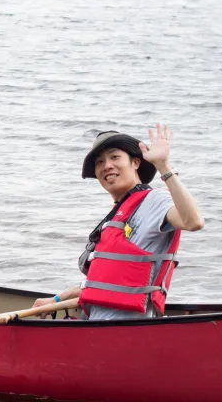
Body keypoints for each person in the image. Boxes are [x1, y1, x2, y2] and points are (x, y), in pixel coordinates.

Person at [35, 124, 204, 320]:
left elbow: (193, 222)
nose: (106, 166)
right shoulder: (116, 217)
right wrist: (57, 300)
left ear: (135, 163)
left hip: (125, 334)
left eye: (115, 157)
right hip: (95, 328)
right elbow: (103, 285)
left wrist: (163, 167)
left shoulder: (154, 200)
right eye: (99, 162)